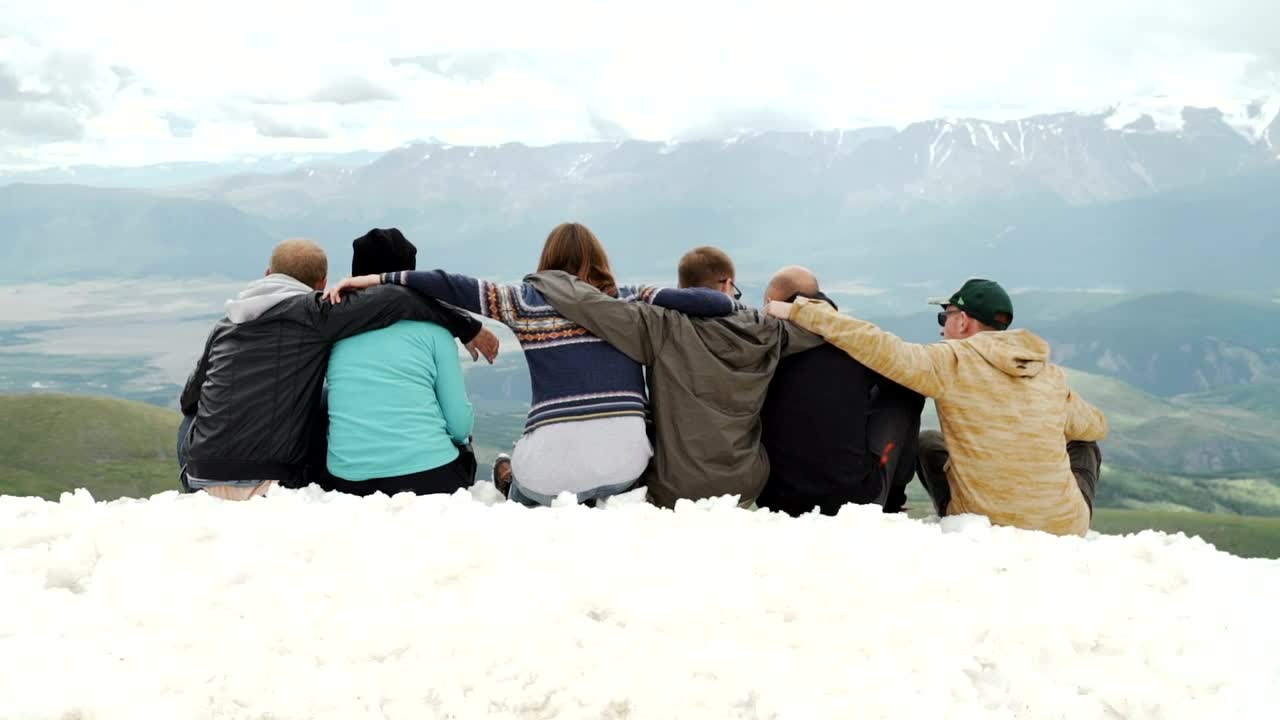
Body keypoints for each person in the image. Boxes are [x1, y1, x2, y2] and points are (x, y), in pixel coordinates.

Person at [325, 223, 732, 507]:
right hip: (628, 464)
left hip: (547, 478)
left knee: (518, 467)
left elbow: (450, 284)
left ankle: (510, 482)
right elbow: (712, 303)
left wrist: (376, 280)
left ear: (547, 260)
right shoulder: (629, 299)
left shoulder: (523, 301)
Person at [765, 278, 1107, 536]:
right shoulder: (1049, 375)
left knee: (929, 443)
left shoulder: (951, 361)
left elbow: (877, 344)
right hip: (1065, 526)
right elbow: (1094, 427)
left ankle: (959, 514)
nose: (944, 326)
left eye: (946, 316)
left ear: (963, 322)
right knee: (1084, 445)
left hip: (983, 519)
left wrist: (800, 311)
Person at [177, 238, 498, 500]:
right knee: (319, 401)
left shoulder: (224, 324)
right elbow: (398, 297)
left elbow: (189, 401)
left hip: (200, 476)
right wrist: (466, 326)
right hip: (273, 483)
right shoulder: (316, 314)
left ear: (267, 273)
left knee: (193, 417)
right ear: (323, 284)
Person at [526, 246, 823, 508]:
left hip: (676, 489)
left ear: (683, 289)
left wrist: (548, 278)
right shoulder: (764, 329)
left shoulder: (661, 326)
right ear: (728, 284)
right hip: (747, 483)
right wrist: (788, 308)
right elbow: (822, 327)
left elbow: (590, 306)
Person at [757, 266, 925, 516]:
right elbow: (909, 380)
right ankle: (892, 502)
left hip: (775, 499)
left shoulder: (759, 348)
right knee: (905, 393)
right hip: (851, 501)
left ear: (772, 303)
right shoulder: (854, 346)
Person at [324, 228, 480, 497]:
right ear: (410, 277)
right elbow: (459, 426)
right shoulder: (436, 333)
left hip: (348, 481)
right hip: (431, 477)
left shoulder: (332, 331)